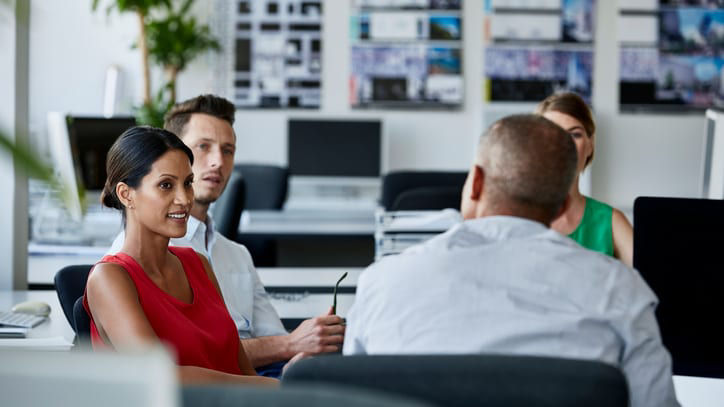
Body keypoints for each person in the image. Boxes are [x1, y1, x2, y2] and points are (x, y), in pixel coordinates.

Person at [343, 115, 679, 407]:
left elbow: (349, 396)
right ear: (562, 206)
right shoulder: (620, 291)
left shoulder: (382, 282)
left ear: (475, 182)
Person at [107, 95, 344, 373]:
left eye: (228, 150)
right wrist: (289, 346)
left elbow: (270, 341)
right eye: (203, 147)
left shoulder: (233, 255)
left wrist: (299, 358)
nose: (218, 161)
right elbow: (192, 358)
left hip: (257, 379)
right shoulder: (127, 263)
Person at [85, 126, 278, 385]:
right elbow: (161, 378)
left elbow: (241, 367)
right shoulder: (109, 278)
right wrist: (271, 387)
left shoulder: (197, 263)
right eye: (166, 185)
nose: (184, 199)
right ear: (125, 194)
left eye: (187, 183)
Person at [535, 92, 633, 267]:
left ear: (590, 145)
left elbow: (651, 283)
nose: (564, 145)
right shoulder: (517, 217)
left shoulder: (611, 222)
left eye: (575, 135)